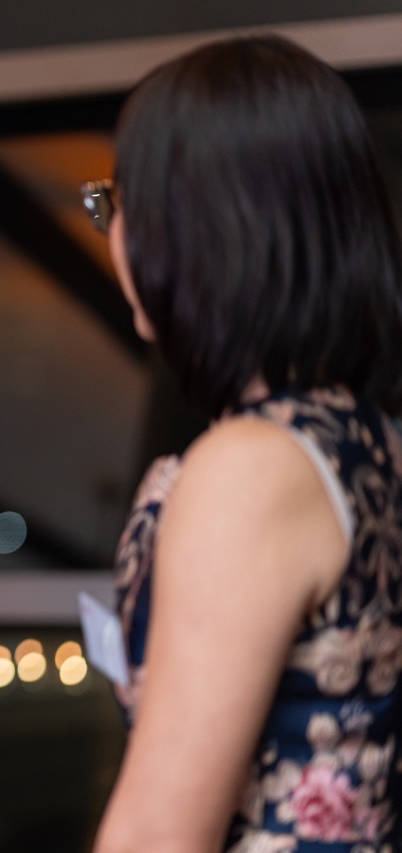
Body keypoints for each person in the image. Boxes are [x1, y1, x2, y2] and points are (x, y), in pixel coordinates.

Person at [86, 35, 402, 853]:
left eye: (118, 203)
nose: (114, 234)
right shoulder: (372, 438)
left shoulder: (253, 466)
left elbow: (157, 836)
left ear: (199, 228)